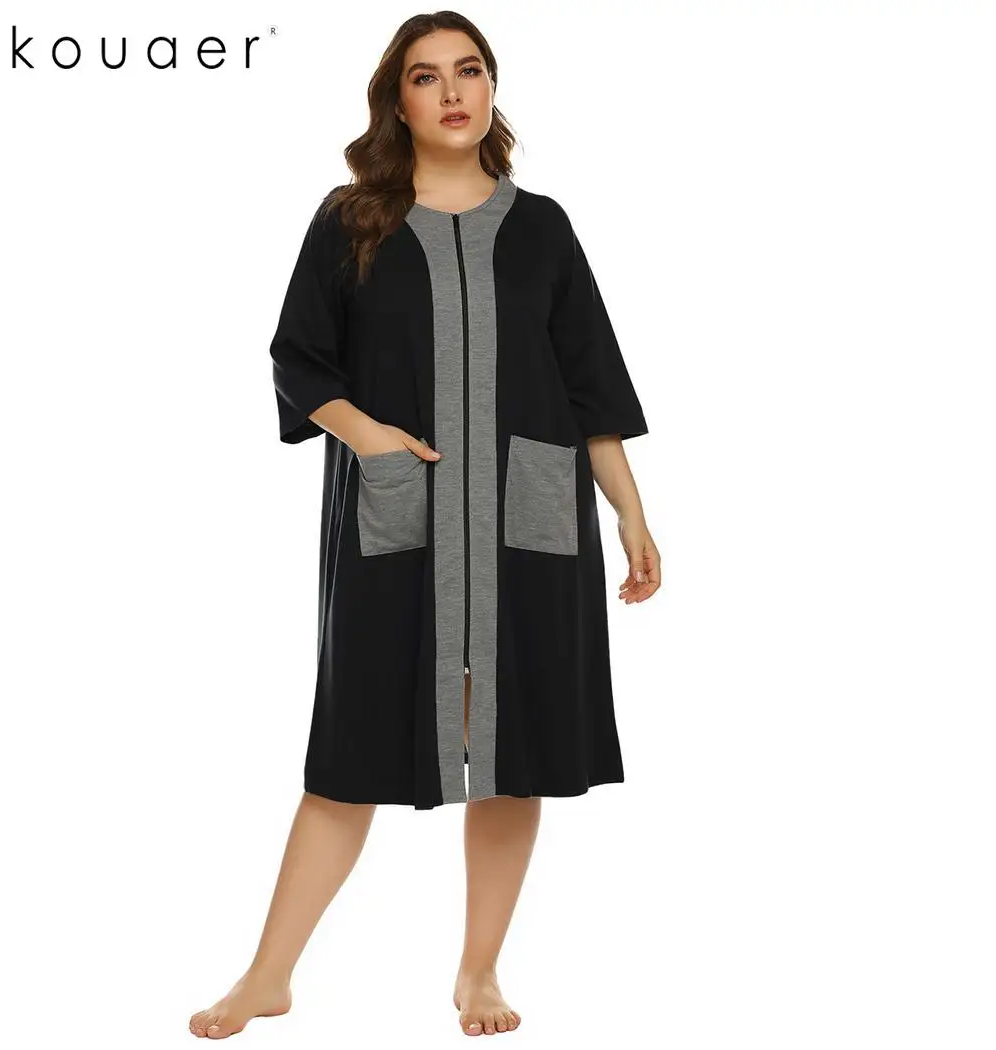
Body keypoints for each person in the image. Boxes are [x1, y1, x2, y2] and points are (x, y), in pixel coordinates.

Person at [189, 10, 661, 1041]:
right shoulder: (352, 218)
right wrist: (373, 439)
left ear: (492, 88)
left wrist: (630, 513)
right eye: (425, 75)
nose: (452, 91)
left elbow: (591, 385)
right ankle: (268, 975)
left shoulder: (543, 228)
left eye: (469, 70)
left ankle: (479, 972)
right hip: (397, 521)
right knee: (350, 747)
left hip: (533, 523)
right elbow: (298, 359)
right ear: (396, 100)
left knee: (517, 747)